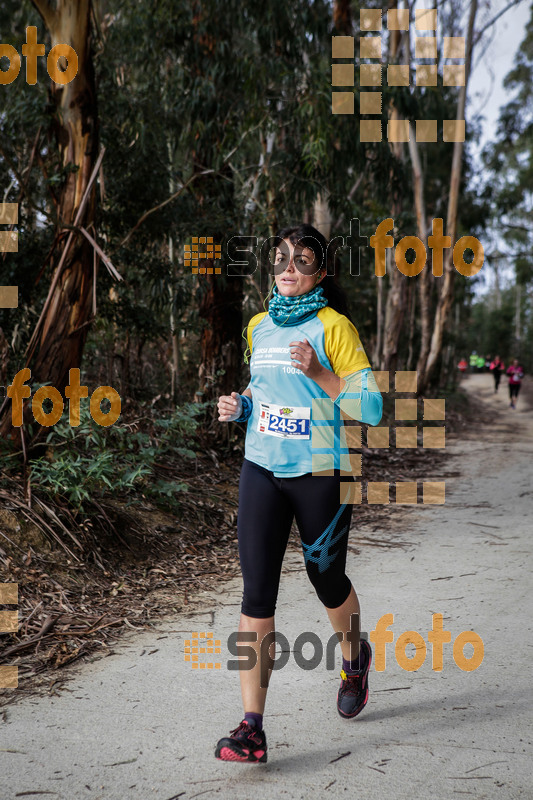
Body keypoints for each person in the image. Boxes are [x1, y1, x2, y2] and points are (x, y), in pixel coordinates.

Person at [215, 223, 383, 763]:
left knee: (326, 579)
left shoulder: (334, 328)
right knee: (256, 593)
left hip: (320, 473)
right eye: (281, 257)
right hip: (261, 468)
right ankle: (251, 728)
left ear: (321, 271)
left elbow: (372, 410)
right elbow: (262, 390)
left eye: (302, 259)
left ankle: (354, 657)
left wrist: (323, 374)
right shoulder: (258, 326)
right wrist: (241, 405)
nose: (289, 267)